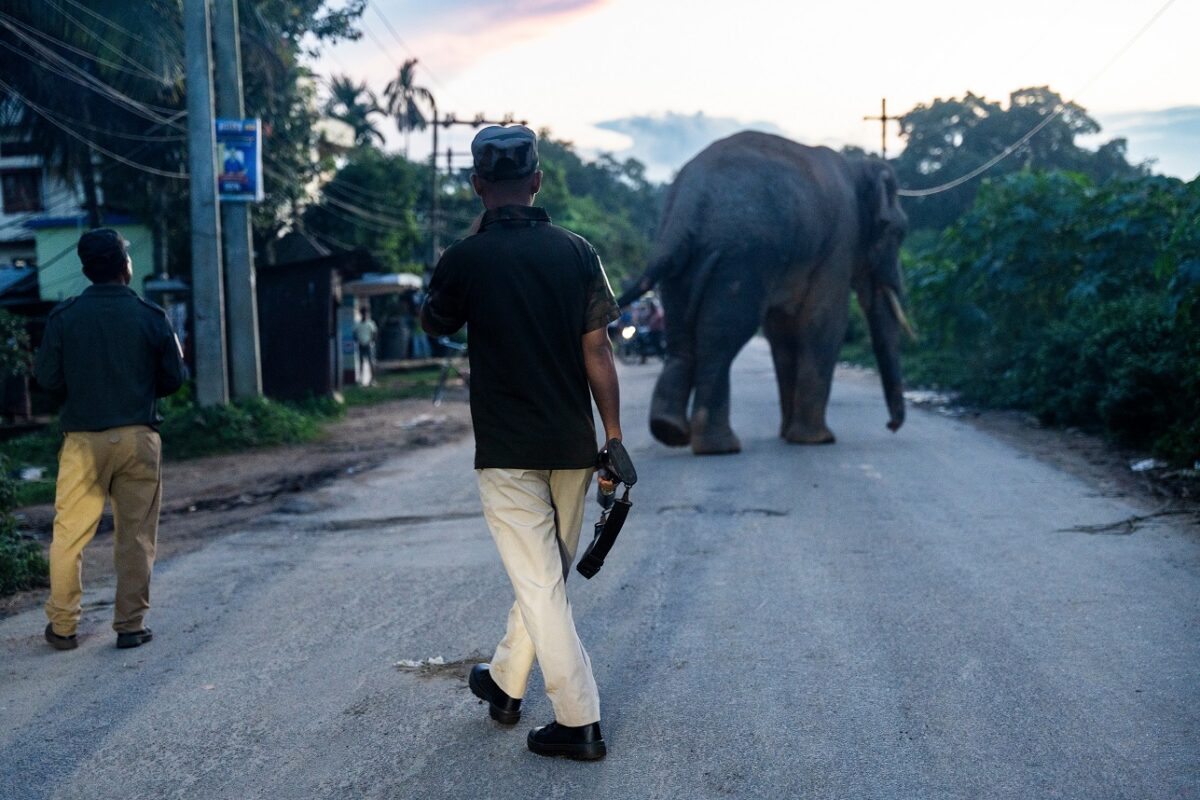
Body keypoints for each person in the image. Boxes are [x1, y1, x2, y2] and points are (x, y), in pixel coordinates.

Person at [421, 125, 622, 761]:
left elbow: (435, 322)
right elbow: (598, 348)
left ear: (478, 187)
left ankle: (579, 722)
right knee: (544, 579)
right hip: (571, 446)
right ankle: (505, 684)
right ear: (537, 181)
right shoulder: (578, 252)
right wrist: (613, 437)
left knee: (540, 585)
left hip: (507, 453)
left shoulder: (466, 258)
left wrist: (473, 243)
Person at [33, 229, 186, 651]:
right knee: (135, 535)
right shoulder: (151, 315)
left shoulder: (64, 317)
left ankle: (63, 628)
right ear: (125, 266)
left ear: (85, 270)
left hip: (83, 442)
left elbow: (47, 379)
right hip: (139, 439)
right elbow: (174, 379)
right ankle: (130, 626)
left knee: (69, 536)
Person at [353, 306, 378, 383]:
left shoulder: (371, 323)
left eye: (365, 313)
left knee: (371, 362)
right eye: (363, 313)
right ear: (361, 314)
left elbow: (375, 334)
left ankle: (373, 379)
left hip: (369, 345)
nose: (364, 315)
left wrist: (372, 341)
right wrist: (358, 341)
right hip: (361, 344)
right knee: (361, 362)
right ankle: (360, 379)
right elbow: (354, 334)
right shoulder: (357, 324)